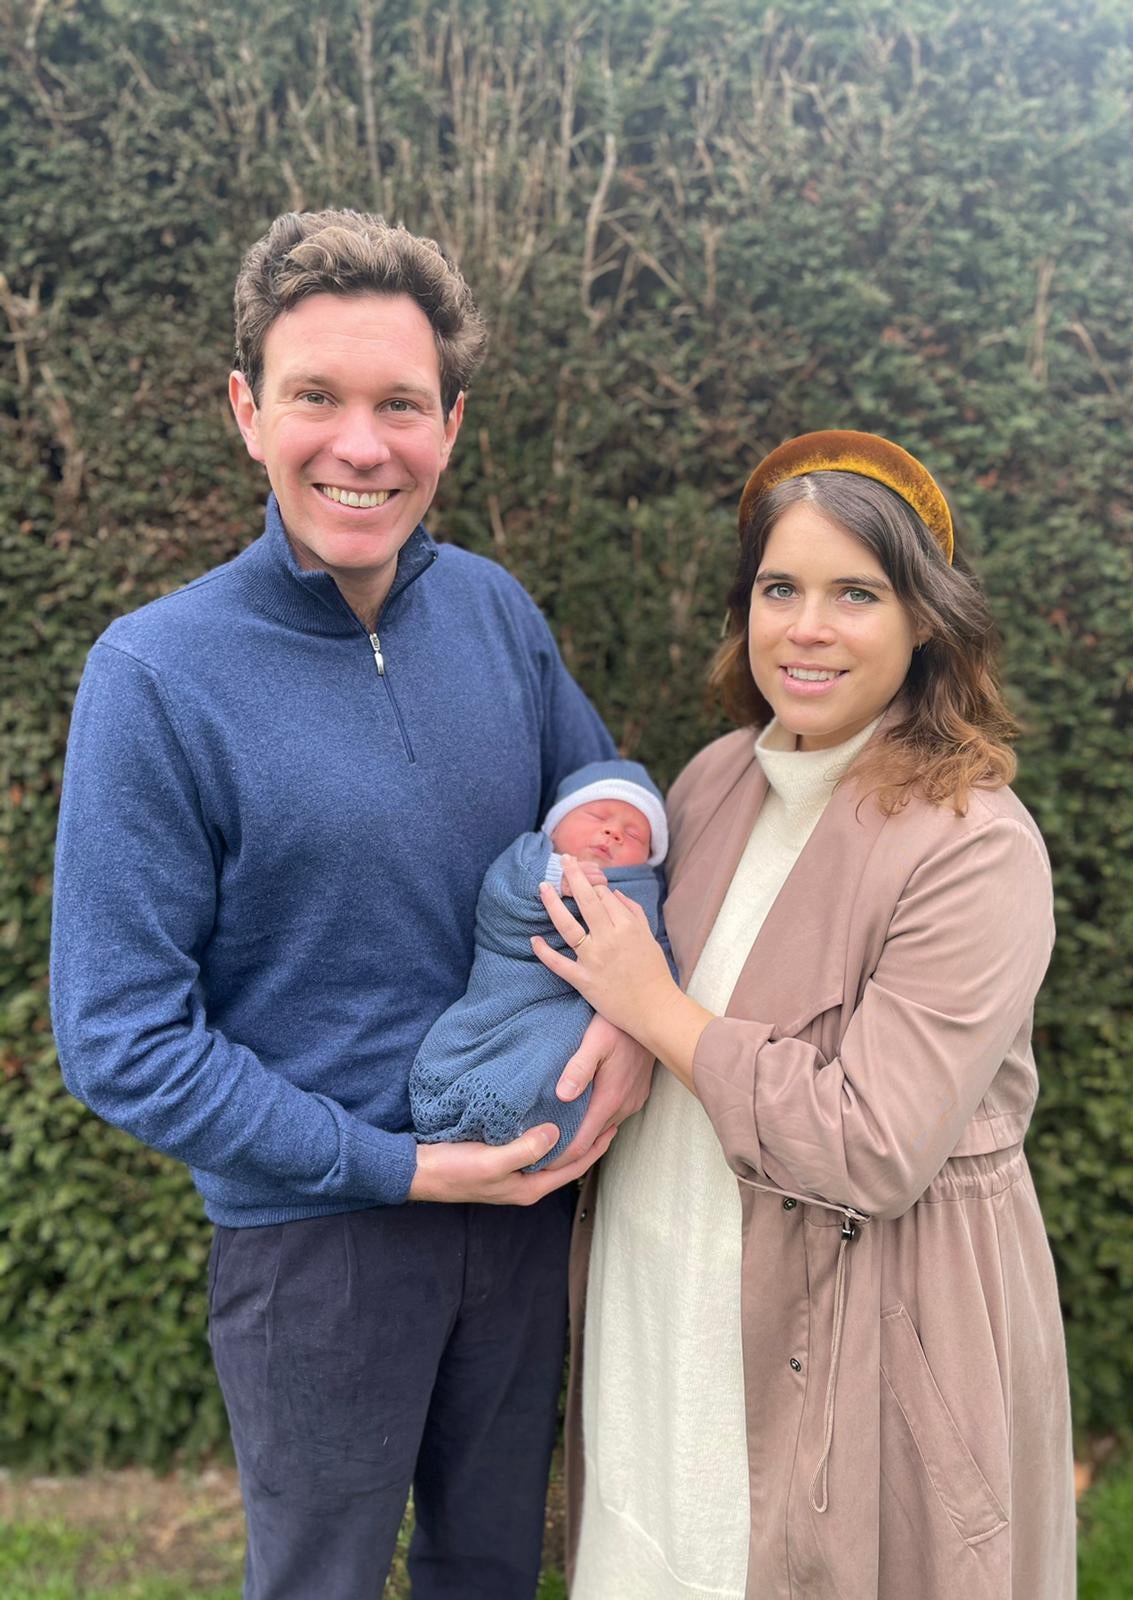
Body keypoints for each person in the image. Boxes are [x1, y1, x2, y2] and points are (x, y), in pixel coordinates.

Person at [49, 209, 653, 1600]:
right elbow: (121, 1038)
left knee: (495, 1568)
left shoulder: (498, 613)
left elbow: (611, 815)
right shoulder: (155, 676)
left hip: (528, 1211)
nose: (361, 445)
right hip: (316, 1246)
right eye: (316, 396)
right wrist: (395, 1166)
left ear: (451, 422)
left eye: (400, 403)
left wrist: (637, 1015)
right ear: (247, 411)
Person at [534, 431, 1076, 1600]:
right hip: (660, 1289)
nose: (808, 628)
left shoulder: (975, 846)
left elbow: (870, 1143)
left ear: (926, 617)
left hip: (860, 1327)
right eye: (781, 588)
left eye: (856, 594)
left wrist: (656, 1008)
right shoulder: (716, 778)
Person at [411, 759, 669, 1168]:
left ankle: (536, 1130)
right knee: (500, 1041)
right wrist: (555, 879)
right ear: (556, 824)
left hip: (576, 1010)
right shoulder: (531, 854)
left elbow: (659, 956)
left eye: (634, 832)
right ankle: (466, 1103)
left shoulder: (645, 892)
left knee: (560, 1054)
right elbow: (500, 899)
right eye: (597, 816)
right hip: (515, 985)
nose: (613, 832)